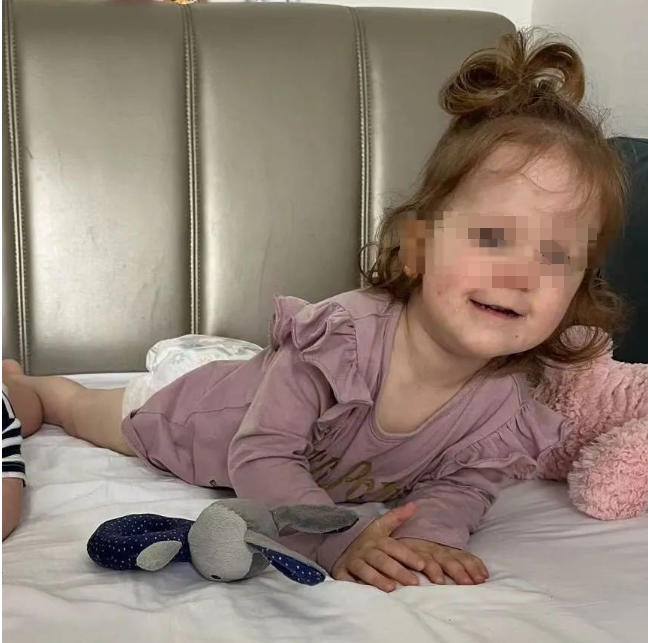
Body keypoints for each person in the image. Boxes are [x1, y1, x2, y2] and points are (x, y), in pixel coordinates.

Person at [2, 29, 628, 591]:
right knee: (86, 411)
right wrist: (337, 539)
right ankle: (34, 385)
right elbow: (261, 457)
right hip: (203, 422)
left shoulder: (508, 406)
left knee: (254, 376)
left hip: (265, 386)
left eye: (556, 255)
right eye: (492, 238)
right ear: (417, 247)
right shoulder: (347, 339)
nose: (520, 275)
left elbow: (462, 486)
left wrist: (427, 538)